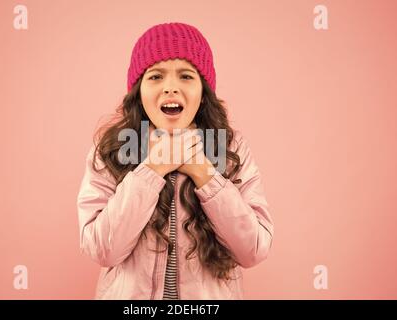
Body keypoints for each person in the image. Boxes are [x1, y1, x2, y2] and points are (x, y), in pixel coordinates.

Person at [76, 22, 274, 299]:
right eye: (156, 77)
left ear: (203, 91)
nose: (170, 88)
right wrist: (153, 168)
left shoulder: (230, 148)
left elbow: (253, 249)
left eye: (186, 76)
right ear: (139, 90)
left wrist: (203, 171)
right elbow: (101, 249)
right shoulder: (112, 148)